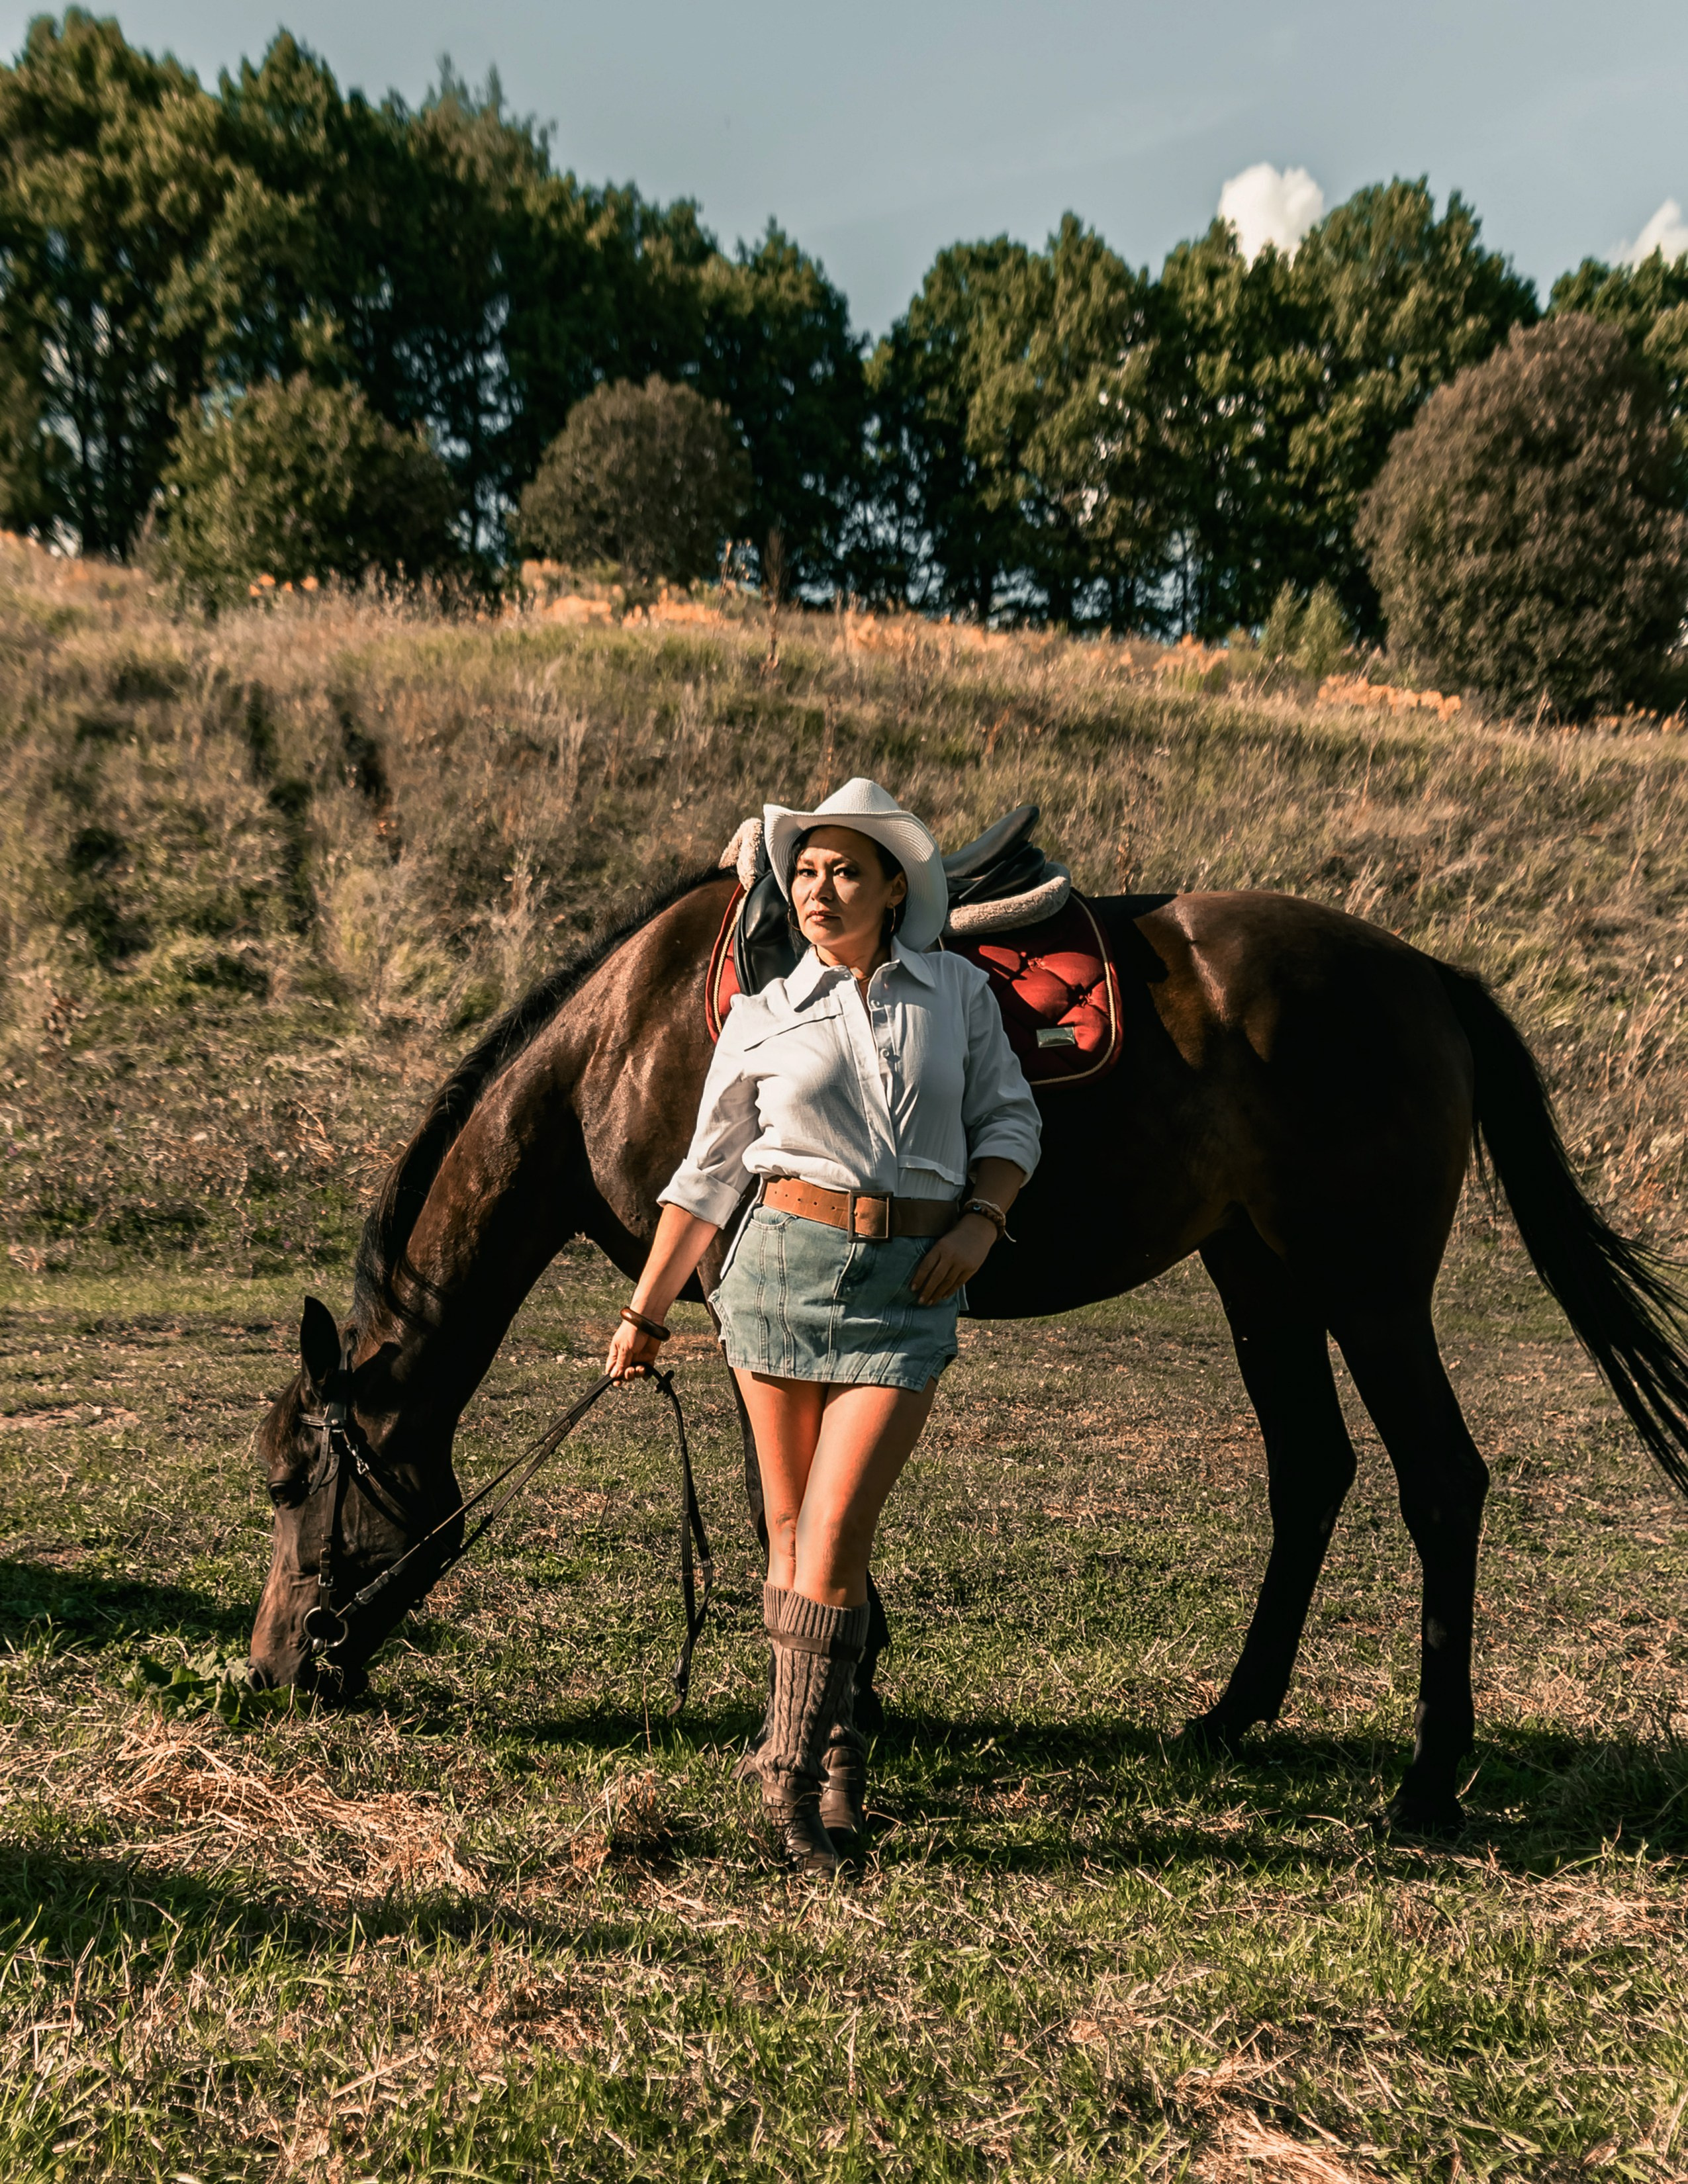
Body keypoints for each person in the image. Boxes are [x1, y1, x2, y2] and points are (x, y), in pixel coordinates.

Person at [605, 778, 1042, 1874]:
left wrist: (981, 1224)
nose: (819, 887)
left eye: (846, 869)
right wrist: (643, 1314)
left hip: (909, 1287)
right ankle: (829, 1762)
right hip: (774, 1276)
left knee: (838, 1533)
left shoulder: (954, 994)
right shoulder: (761, 1014)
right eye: (804, 869)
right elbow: (704, 1179)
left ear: (894, 886)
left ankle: (787, 1776)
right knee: (795, 1535)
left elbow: (1010, 1121)